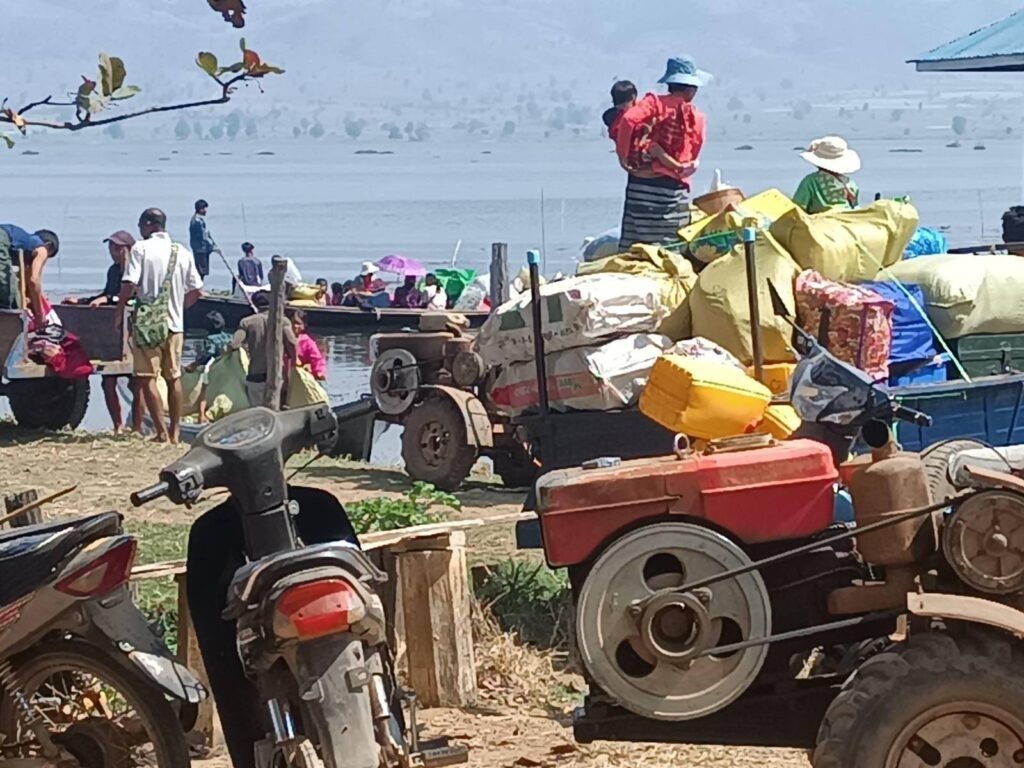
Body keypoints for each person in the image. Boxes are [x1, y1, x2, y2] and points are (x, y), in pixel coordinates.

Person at [117, 208, 203, 444]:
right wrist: (181, 308)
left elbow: (129, 284)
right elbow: (197, 290)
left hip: (148, 325)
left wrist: (119, 312)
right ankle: (175, 433)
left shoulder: (141, 249)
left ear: (148, 224)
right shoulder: (181, 251)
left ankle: (161, 432)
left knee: (146, 378)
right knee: (174, 377)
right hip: (175, 325)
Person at [614, 56, 709, 251]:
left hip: (640, 187)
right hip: (672, 192)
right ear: (690, 89)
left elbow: (627, 121)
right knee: (671, 248)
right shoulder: (696, 118)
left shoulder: (653, 104)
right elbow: (693, 156)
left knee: (634, 246)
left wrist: (623, 156)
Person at [66, 230, 143, 434]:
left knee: (138, 384)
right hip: (112, 333)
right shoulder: (113, 270)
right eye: (111, 247)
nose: (112, 251)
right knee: (108, 381)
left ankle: (136, 427)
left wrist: (109, 300)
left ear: (126, 249)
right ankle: (118, 426)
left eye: (117, 247)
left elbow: (130, 296)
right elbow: (107, 294)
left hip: (133, 331)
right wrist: (83, 301)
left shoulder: (136, 269)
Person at [229, 290, 296, 407]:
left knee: (257, 412)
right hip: (277, 374)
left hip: (256, 374)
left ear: (254, 304)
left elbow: (234, 344)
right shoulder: (283, 321)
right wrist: (294, 360)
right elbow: (292, 343)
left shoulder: (247, 322)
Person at [0, 224, 60, 328]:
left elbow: (26, 284)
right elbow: (34, 281)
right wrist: (39, 315)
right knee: (10, 300)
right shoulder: (42, 249)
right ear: (49, 245)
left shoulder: (25, 246)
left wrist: (34, 299)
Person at [793, 136, 861, 214]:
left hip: (821, 223)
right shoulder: (851, 184)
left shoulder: (810, 181)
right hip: (847, 220)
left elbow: (798, 208)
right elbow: (855, 207)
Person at [188, 311, 233, 423]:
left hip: (215, 368)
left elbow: (208, 354)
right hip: (229, 368)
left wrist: (194, 364)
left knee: (203, 391)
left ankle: (201, 415)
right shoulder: (229, 336)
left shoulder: (210, 339)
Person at [287, 309, 326, 380]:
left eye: (298, 323)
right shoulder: (284, 338)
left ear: (304, 325)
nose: (295, 326)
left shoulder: (307, 341)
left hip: (300, 377)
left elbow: (317, 359)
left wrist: (319, 372)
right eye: (292, 323)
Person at [189, 199, 219, 279]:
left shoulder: (195, 219)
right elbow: (203, 237)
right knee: (201, 272)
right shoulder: (198, 221)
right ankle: (198, 289)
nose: (206, 211)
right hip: (201, 249)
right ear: (200, 209)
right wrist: (213, 247)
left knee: (200, 271)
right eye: (205, 208)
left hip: (198, 248)